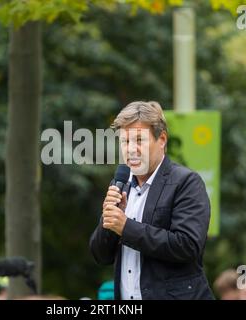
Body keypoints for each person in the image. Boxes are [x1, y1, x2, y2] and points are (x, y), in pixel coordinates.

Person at [89, 101, 214, 300]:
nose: (130, 149)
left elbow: (187, 245)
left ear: (162, 139)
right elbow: (100, 256)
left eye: (139, 140)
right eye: (125, 141)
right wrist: (109, 220)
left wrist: (125, 227)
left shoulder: (186, 182)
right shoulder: (121, 184)